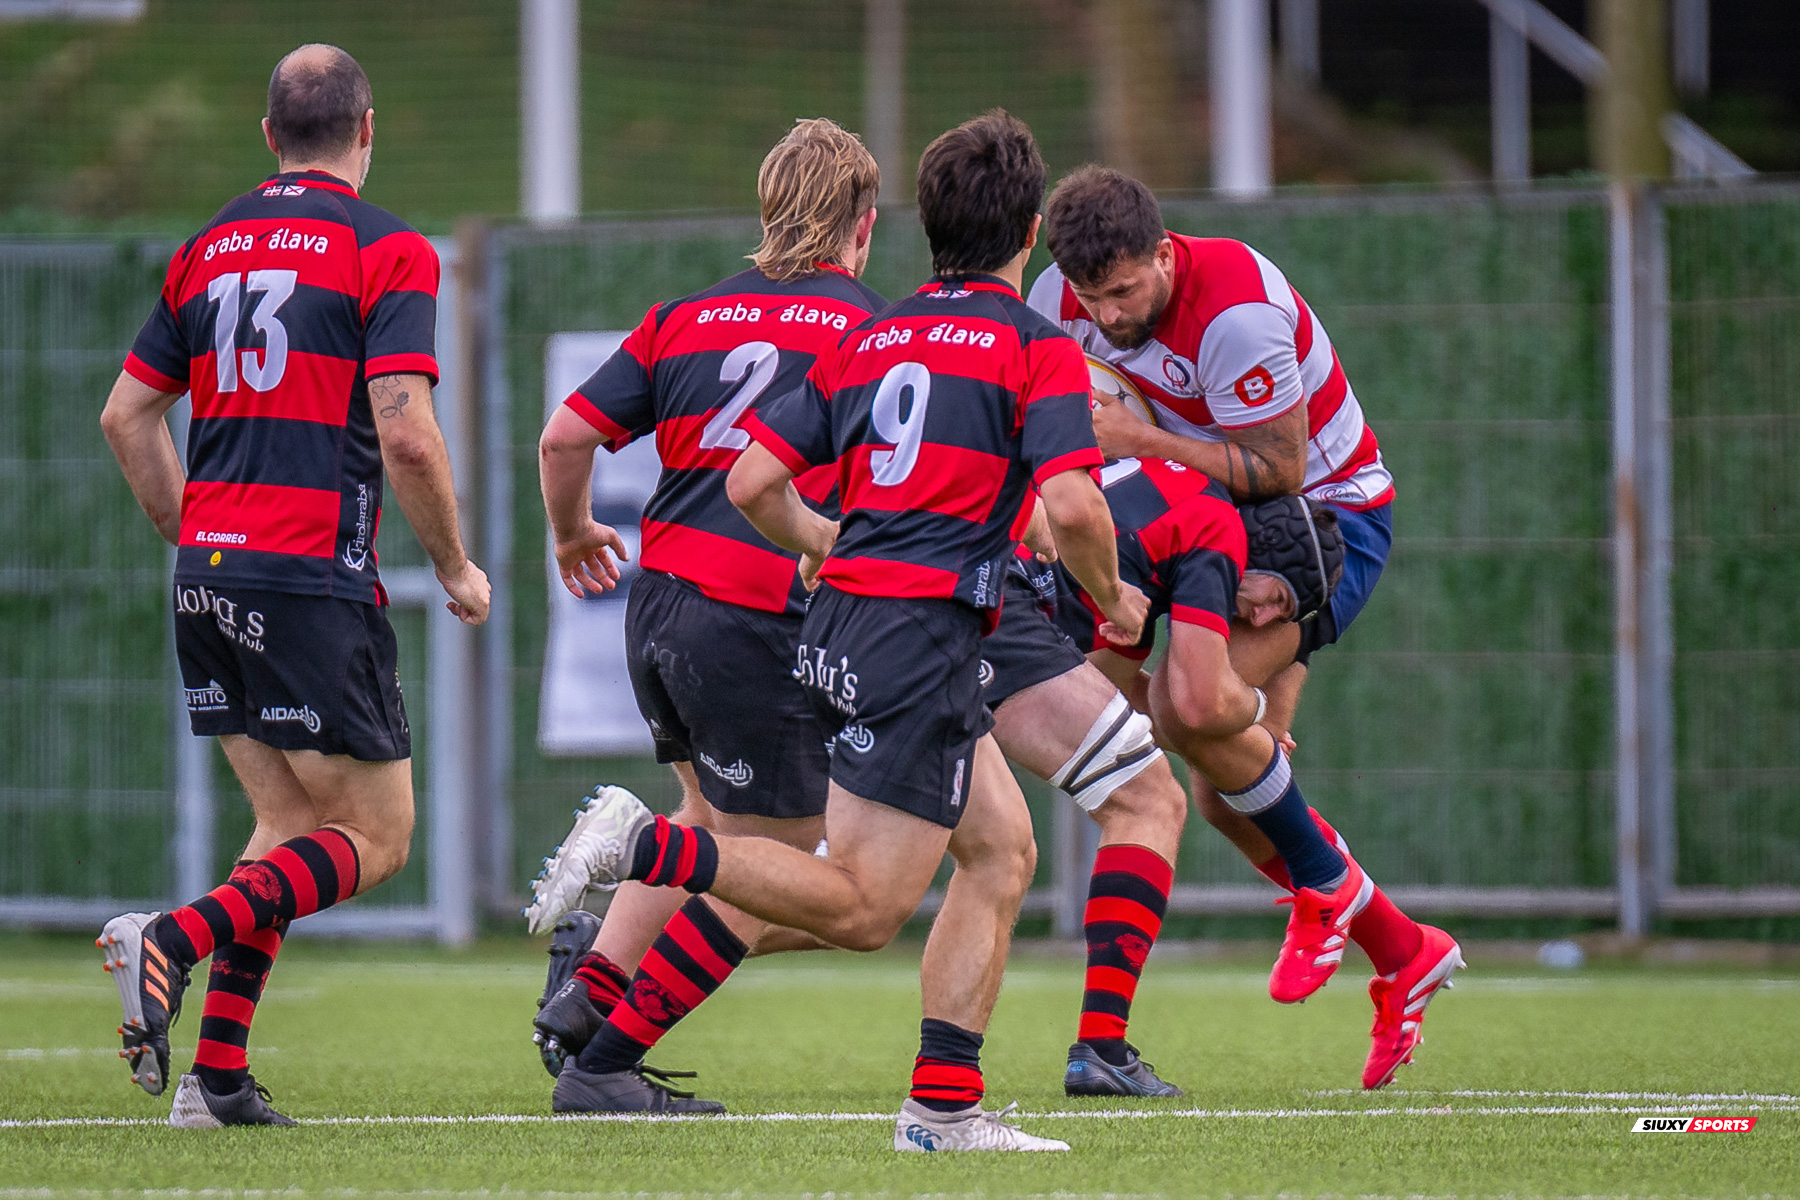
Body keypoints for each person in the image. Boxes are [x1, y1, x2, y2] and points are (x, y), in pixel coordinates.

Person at [527, 110, 1146, 1152]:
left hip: (794, 616)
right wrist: (1115, 595)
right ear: (1030, 232)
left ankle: (935, 1101)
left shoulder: (871, 336)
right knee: (855, 904)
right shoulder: (1003, 340)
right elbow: (1076, 507)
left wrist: (821, 541)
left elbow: (740, 476)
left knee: (997, 850)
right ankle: (640, 868)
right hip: (900, 634)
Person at [96, 44, 488, 1127]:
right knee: (377, 838)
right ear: (368, 130)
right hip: (309, 579)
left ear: (269, 136)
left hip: (208, 574)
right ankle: (169, 938)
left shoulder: (206, 246)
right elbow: (405, 433)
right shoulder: (388, 248)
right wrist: (454, 565)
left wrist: (193, 529)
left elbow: (126, 415)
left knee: (286, 826)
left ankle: (215, 1080)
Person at [1029, 166, 1458, 1089]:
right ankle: (1395, 943)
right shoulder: (1055, 298)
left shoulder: (1235, 313)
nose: (1105, 316)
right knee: (1220, 772)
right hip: (1185, 519)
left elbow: (1277, 468)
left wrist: (1139, 445)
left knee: (1192, 716)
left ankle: (1332, 893)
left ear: (1164, 252)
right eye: (1090, 297)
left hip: (1318, 520)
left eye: (1125, 292)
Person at [529, 118, 887, 1113]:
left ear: (770, 211)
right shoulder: (873, 330)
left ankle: (586, 1001)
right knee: (798, 877)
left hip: (657, 613)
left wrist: (570, 537)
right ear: (862, 228)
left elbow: (565, 439)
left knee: (715, 823)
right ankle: (602, 1061)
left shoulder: (685, 315)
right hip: (752, 622)